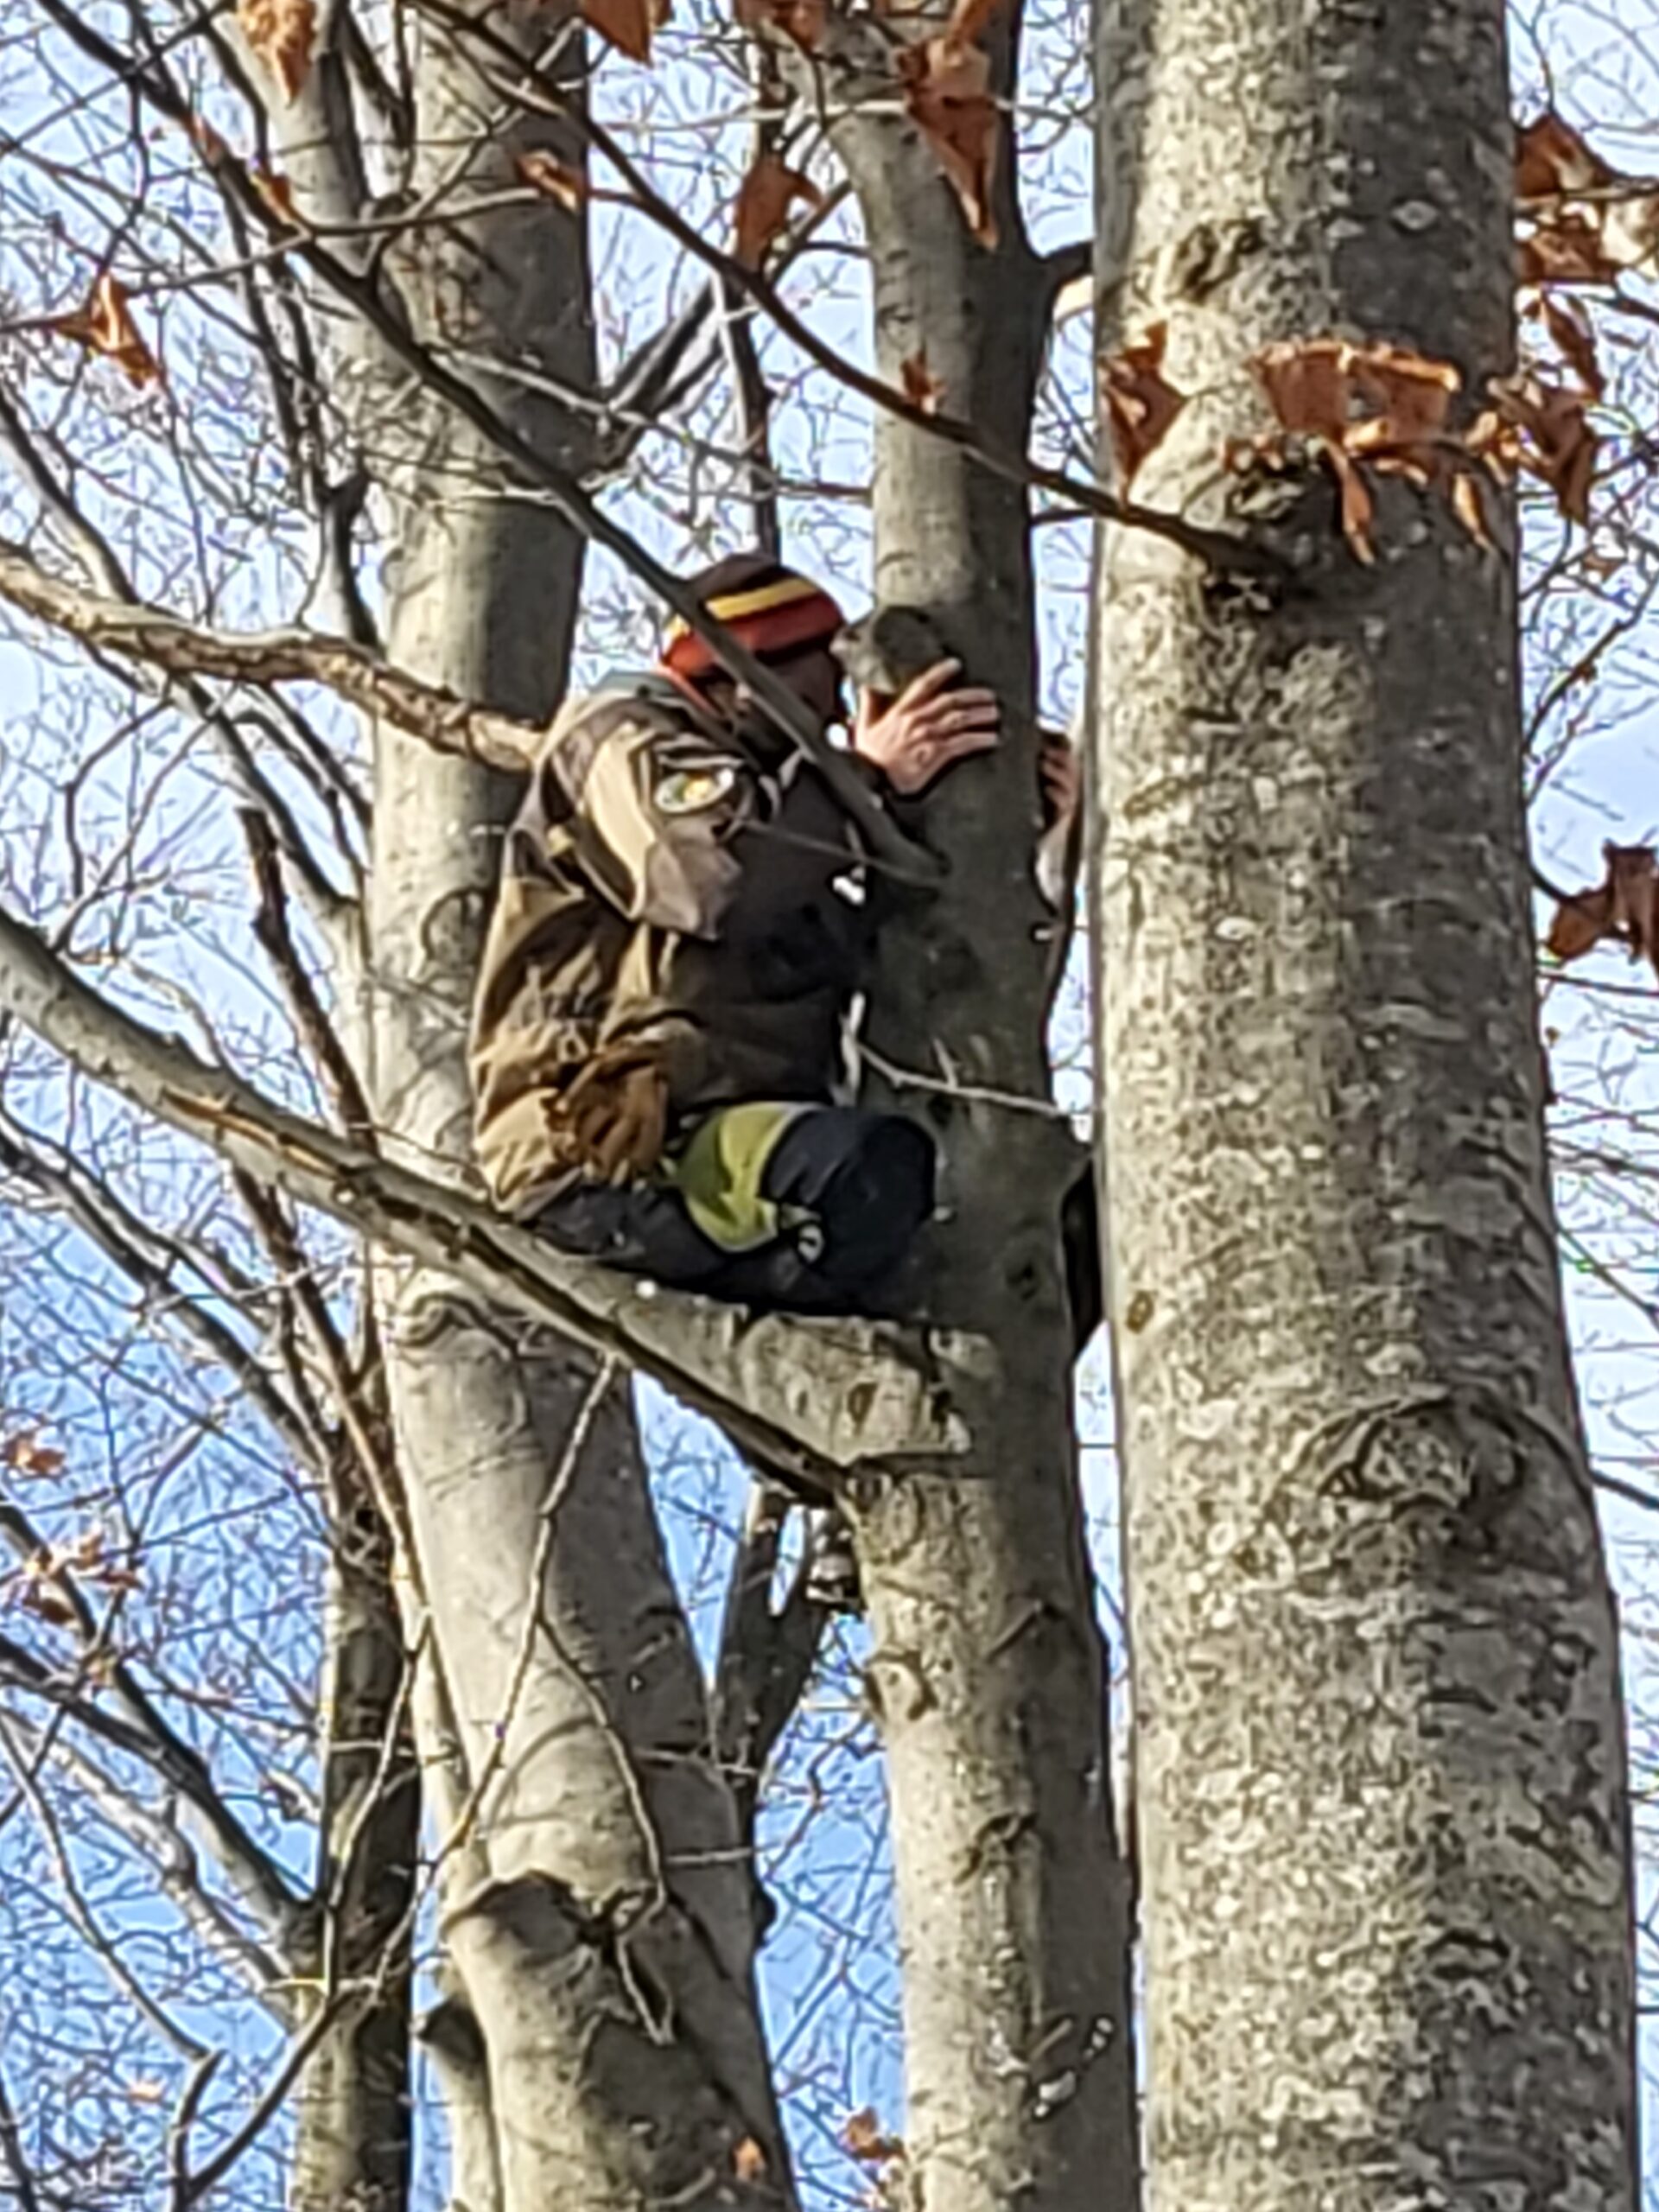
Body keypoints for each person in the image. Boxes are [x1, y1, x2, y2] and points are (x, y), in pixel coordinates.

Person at [468, 553, 1001, 1313]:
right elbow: (718, 879)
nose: (829, 723)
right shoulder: (618, 739)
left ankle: (831, 1345)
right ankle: (814, 1326)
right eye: (817, 698)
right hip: (614, 1151)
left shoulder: (788, 815)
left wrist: (1050, 849)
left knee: (1049, 1218)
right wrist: (863, 778)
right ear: (743, 679)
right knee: (863, 1171)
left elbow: (916, 964)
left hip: (740, 1137)